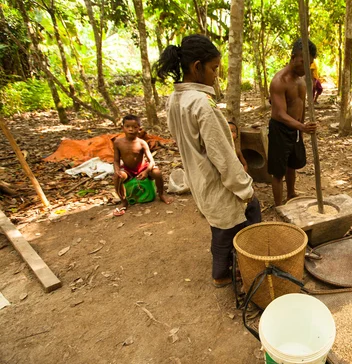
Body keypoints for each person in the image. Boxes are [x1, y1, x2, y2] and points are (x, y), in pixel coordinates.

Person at [155, 34, 261, 288]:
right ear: (197, 67)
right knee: (247, 216)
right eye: (214, 68)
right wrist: (245, 188)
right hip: (215, 180)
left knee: (220, 226)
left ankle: (223, 270)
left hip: (197, 177)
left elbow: (179, 136)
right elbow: (222, 156)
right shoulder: (202, 104)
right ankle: (241, 269)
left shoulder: (175, 99)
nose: (216, 75)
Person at [268, 39, 318, 206]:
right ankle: (278, 205)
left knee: (292, 164)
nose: (306, 66)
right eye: (304, 62)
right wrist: (302, 127)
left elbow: (301, 106)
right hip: (280, 129)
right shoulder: (279, 81)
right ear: (293, 57)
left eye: (309, 63)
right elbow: (280, 114)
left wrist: (302, 128)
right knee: (278, 171)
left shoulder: (301, 81)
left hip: (296, 129)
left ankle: (291, 194)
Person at [113, 114, 171, 216]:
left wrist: (146, 171)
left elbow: (152, 161)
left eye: (134, 127)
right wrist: (117, 170)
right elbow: (116, 160)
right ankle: (124, 201)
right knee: (117, 177)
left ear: (139, 129)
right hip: (128, 170)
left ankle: (161, 194)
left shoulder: (142, 143)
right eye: (127, 126)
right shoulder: (118, 143)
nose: (131, 129)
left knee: (157, 173)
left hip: (142, 168)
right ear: (123, 128)